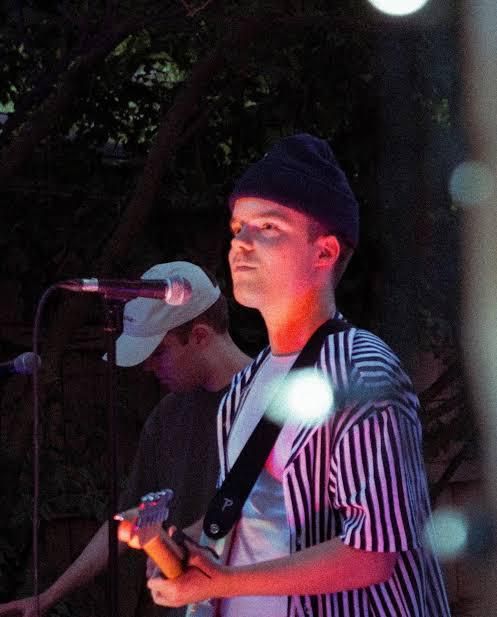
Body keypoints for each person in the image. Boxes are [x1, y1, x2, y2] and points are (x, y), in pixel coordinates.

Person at [147, 135, 452, 616]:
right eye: (238, 228)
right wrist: (185, 544)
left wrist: (225, 583)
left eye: (267, 227)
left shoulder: (360, 370)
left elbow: (373, 552)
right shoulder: (243, 387)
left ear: (324, 252)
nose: (240, 244)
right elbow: (255, 514)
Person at [0, 261, 251, 617]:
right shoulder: (168, 415)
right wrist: (50, 595)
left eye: (158, 352)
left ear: (199, 336)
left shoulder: (270, 399)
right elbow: (124, 518)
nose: (148, 367)